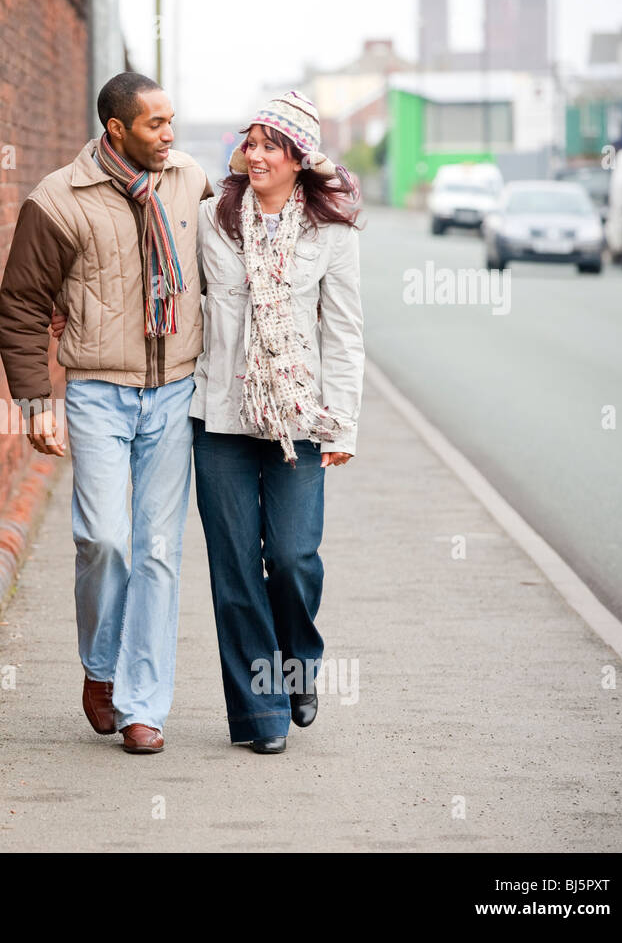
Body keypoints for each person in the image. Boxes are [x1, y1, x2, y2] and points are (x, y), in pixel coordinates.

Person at [0, 72, 213, 754]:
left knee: (158, 549)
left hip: (176, 387)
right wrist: (36, 402)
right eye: (156, 124)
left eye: (173, 121)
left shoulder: (191, 180)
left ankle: (142, 702)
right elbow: (24, 303)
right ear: (117, 129)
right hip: (97, 389)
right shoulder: (59, 200)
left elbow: (246, 232)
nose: (170, 135)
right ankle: (100, 664)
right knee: (104, 539)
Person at [190, 91, 364, 755]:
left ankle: (297, 662)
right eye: (252, 142)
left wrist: (342, 426)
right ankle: (260, 717)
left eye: (272, 144)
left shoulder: (332, 234)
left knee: (291, 558)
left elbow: (345, 334)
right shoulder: (212, 219)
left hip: (300, 420)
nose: (256, 154)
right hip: (223, 418)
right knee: (235, 569)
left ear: (298, 159)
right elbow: (181, 298)